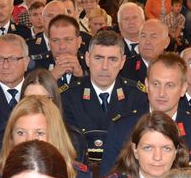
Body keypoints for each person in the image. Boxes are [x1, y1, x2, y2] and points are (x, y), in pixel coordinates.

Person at [104, 53, 191, 174]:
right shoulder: (122, 128)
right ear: (147, 85)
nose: (161, 93)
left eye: (170, 85)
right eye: (156, 84)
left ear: (184, 88)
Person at [61, 28, 146, 166]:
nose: (105, 67)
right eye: (98, 58)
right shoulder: (68, 97)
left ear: (122, 62)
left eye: (112, 59)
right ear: (87, 59)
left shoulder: (137, 97)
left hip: (124, 171)